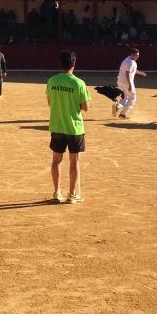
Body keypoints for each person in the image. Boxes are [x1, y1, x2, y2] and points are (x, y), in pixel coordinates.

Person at [46, 50, 91, 204]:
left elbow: (50, 102)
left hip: (57, 125)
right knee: (74, 161)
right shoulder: (79, 83)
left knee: (56, 160)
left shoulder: (52, 81)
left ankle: (57, 193)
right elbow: (85, 107)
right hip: (74, 128)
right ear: (74, 64)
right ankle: (72, 195)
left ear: (60, 64)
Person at [112, 48, 147, 119]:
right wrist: (130, 85)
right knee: (132, 99)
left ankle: (118, 107)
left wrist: (140, 73)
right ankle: (122, 113)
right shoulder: (131, 62)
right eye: (136, 55)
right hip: (127, 82)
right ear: (131, 54)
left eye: (138, 55)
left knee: (125, 97)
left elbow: (132, 70)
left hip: (120, 81)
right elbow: (127, 73)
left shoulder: (127, 59)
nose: (138, 57)